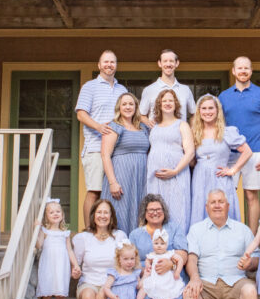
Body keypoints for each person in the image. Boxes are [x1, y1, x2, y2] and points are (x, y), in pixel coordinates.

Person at [183, 188, 260, 299]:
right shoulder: (196, 230)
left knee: (250, 290)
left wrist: (249, 264)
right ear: (206, 207)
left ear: (227, 205)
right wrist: (194, 278)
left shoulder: (243, 230)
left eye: (220, 202)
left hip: (236, 281)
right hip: (207, 283)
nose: (217, 205)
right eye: (213, 202)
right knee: (188, 294)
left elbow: (256, 259)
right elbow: (191, 258)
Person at [218, 57, 260, 233]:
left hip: (255, 152)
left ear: (251, 71)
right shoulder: (224, 96)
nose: (243, 71)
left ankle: (250, 239)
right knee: (226, 196)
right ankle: (229, 236)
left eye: (246, 68)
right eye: (240, 68)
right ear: (234, 71)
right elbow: (218, 124)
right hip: (230, 154)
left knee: (251, 196)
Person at [75, 50, 127, 226]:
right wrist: (98, 126)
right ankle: (89, 231)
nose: (109, 65)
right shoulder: (90, 87)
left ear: (116, 65)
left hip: (117, 150)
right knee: (95, 191)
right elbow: (81, 114)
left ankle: (110, 231)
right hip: (95, 147)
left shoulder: (122, 90)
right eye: (105, 62)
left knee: (115, 192)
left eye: (112, 62)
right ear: (99, 65)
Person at [189, 94, 252, 226]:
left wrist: (233, 170)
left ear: (217, 110)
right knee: (201, 208)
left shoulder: (226, 132)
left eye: (211, 108)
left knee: (221, 210)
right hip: (200, 178)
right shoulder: (195, 133)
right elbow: (192, 159)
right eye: (204, 108)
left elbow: (247, 151)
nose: (207, 112)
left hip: (220, 178)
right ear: (199, 111)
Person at [146, 89, 195, 232]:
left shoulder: (182, 124)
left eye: (171, 100)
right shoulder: (154, 126)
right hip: (155, 179)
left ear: (176, 104)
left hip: (177, 176)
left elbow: (190, 152)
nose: (168, 103)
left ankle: (178, 246)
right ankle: (157, 245)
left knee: (177, 208)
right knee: (155, 210)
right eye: (164, 100)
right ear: (159, 105)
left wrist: (175, 171)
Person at [101, 92, 150, 235]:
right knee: (120, 211)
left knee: (138, 212)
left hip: (140, 178)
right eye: (124, 104)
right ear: (119, 107)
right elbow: (105, 155)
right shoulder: (114, 126)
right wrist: (112, 182)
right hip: (121, 176)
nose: (128, 107)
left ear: (136, 107)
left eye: (131, 104)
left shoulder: (143, 128)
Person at [34, 198, 78, 299]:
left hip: (61, 267)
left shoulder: (65, 233)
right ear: (46, 216)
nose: (55, 214)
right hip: (48, 266)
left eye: (58, 211)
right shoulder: (45, 231)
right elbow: (39, 245)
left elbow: (70, 250)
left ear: (62, 215)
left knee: (61, 296)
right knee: (46, 295)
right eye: (51, 212)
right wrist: (37, 229)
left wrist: (75, 265)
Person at [135, 228, 184, 299]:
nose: (159, 246)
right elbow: (147, 260)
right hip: (154, 278)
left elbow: (180, 260)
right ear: (152, 243)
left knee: (166, 293)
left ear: (167, 244)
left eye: (162, 244)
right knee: (144, 288)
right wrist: (148, 265)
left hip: (166, 279)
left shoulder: (170, 254)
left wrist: (177, 271)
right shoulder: (152, 254)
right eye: (156, 243)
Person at [139, 49, 196, 123]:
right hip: (157, 134)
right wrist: (151, 126)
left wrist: (189, 130)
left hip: (180, 134)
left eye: (171, 61)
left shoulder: (185, 90)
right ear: (159, 63)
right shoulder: (149, 90)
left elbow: (194, 114)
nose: (168, 64)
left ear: (177, 63)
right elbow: (141, 115)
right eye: (165, 61)